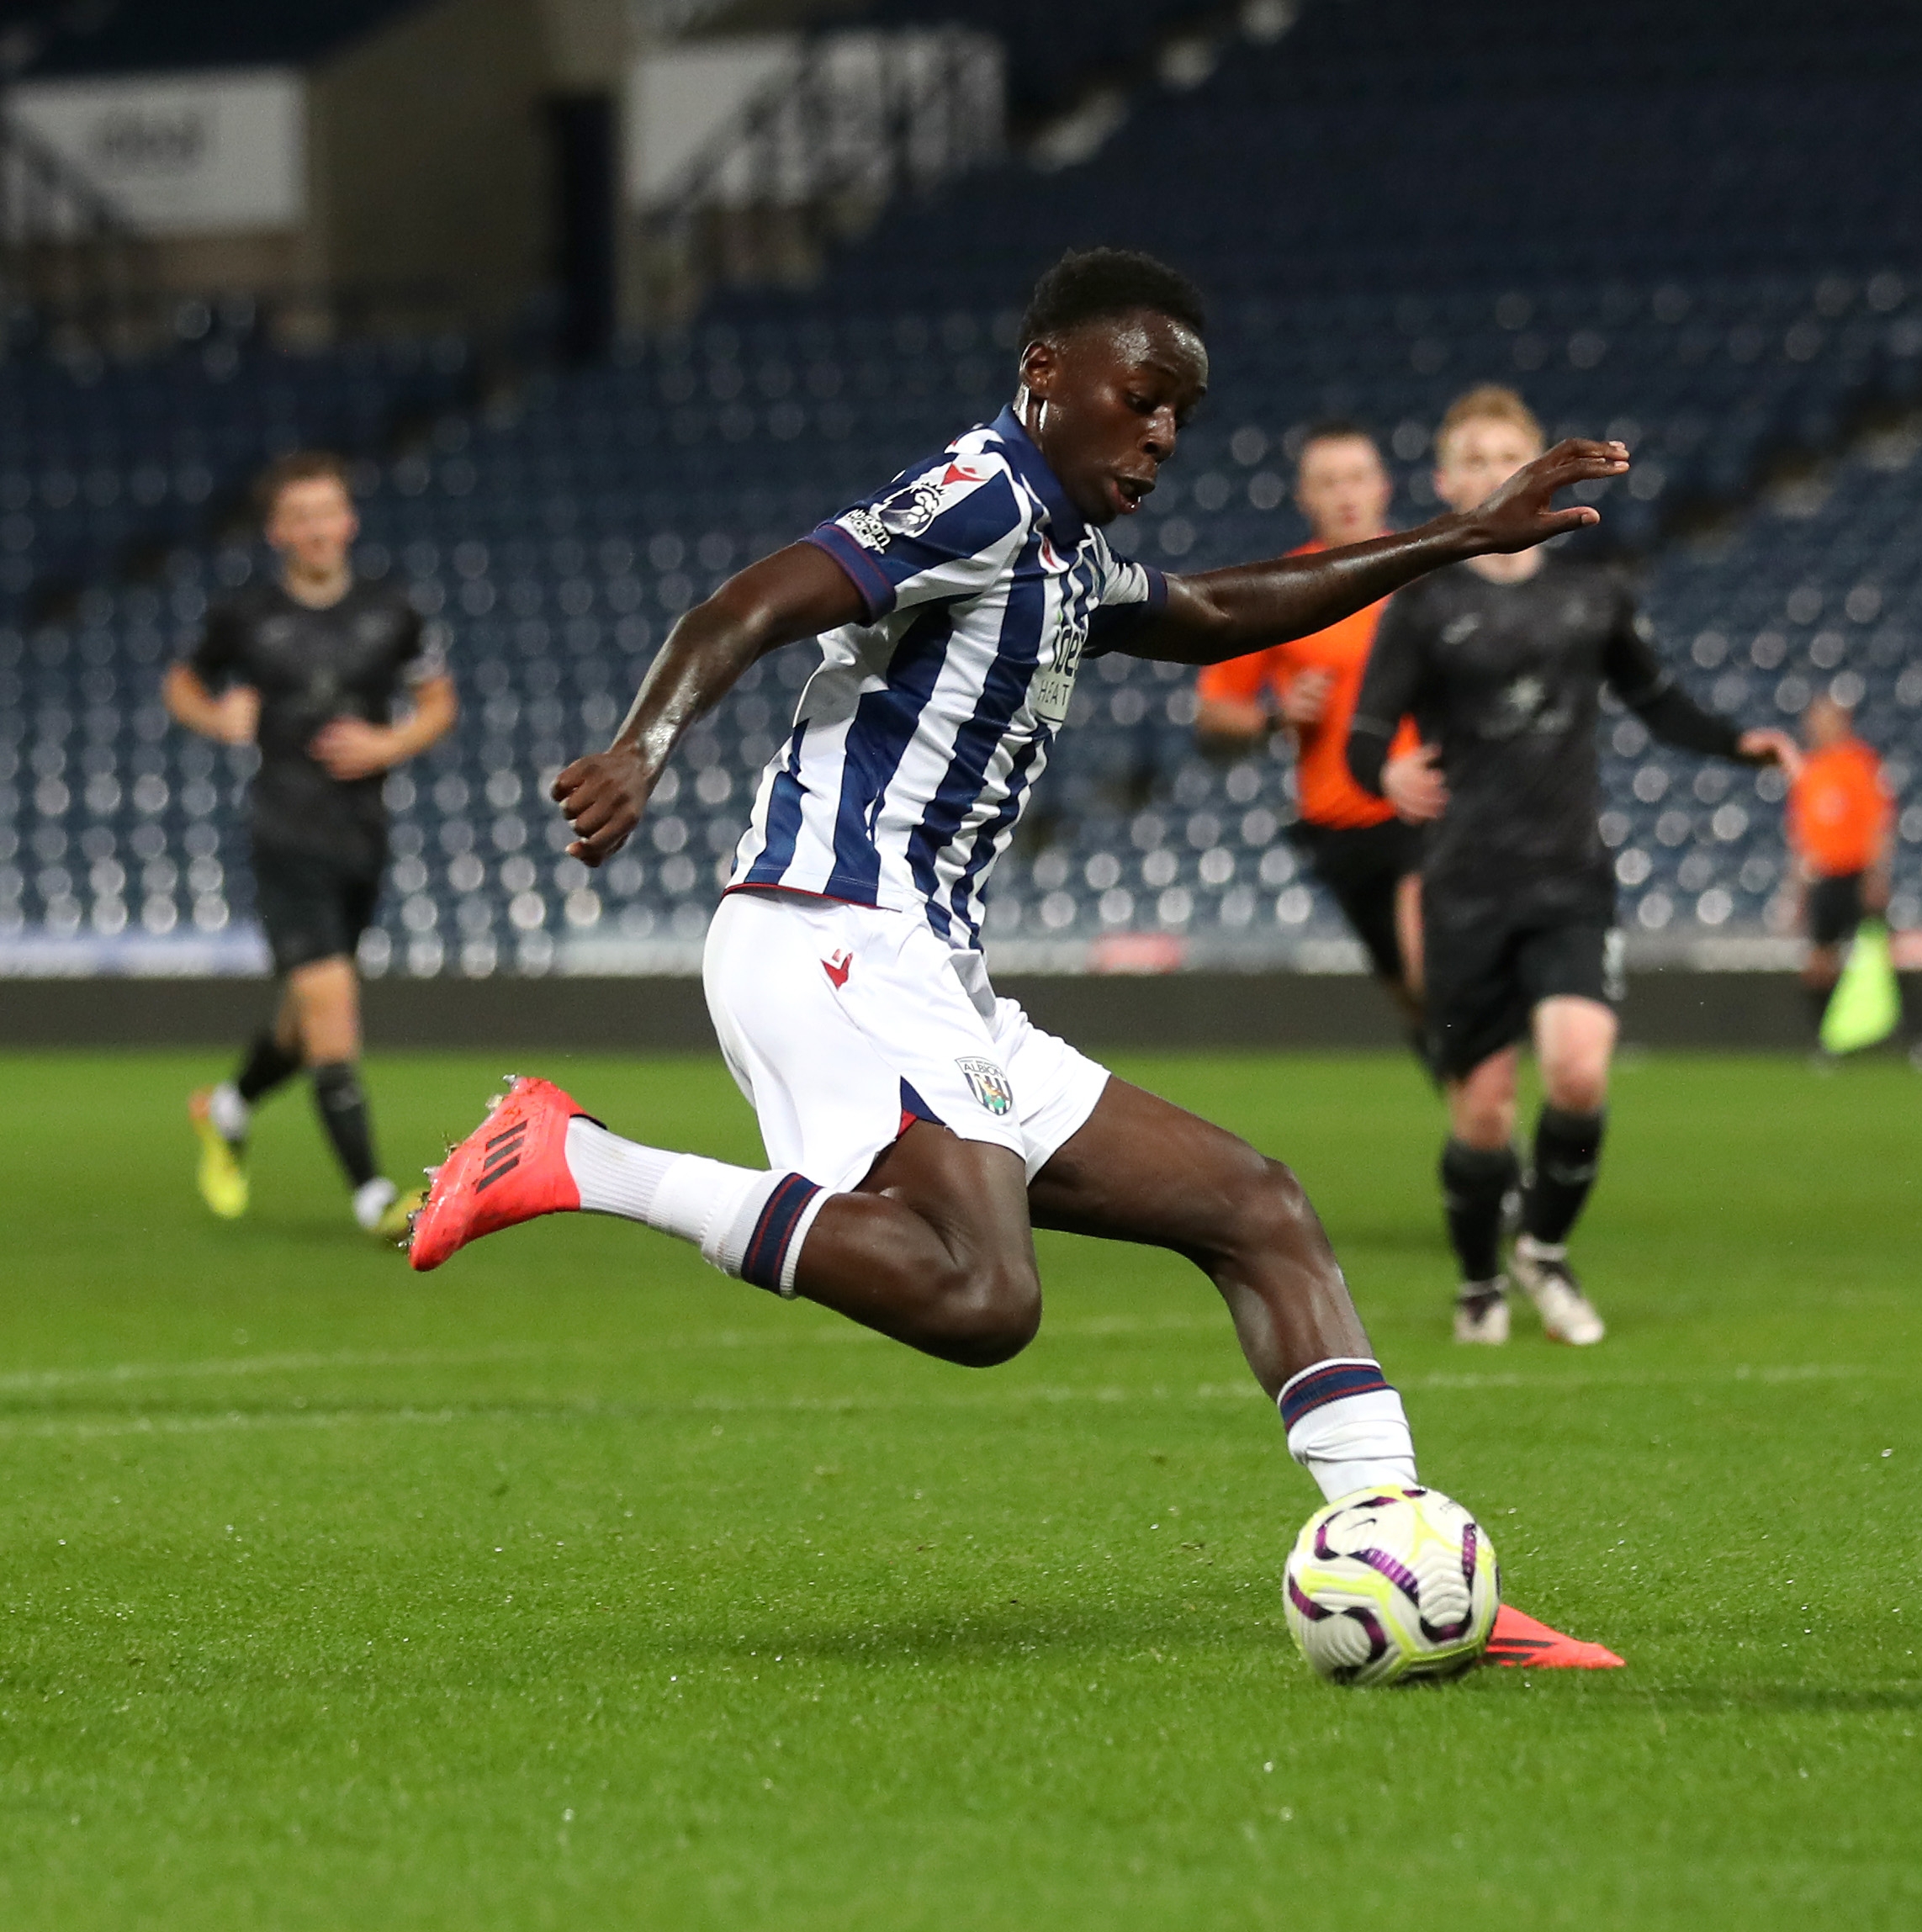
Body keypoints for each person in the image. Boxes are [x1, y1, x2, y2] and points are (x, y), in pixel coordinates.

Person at [405, 249, 1624, 1670]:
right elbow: (742, 604)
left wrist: (1453, 536)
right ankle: (577, 1159)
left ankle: (1405, 1552)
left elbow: (1219, 611)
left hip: (927, 962)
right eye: (1141, 397)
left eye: (1182, 412)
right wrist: (642, 745)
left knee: (1256, 1204)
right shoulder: (977, 497)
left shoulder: (1064, 545)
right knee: (983, 1298)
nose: (1162, 433)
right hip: (833, 933)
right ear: (1046, 373)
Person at [1348, 385, 1802, 1347]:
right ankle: (1479, 1282)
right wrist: (1382, 769)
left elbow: (1658, 700)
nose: (1485, 472)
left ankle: (1542, 1254)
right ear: (1444, 480)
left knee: (1579, 1072)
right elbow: (1364, 738)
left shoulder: (1592, 593)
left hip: (1568, 879)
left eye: (1502, 454)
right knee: (1480, 1113)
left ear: (1538, 468)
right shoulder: (1423, 603)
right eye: (1467, 458)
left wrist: (1737, 744)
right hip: (1466, 886)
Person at [165, 448, 457, 1237]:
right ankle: (373, 1196)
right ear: (277, 530)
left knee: (307, 1017)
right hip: (284, 826)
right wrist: (217, 716)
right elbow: (183, 683)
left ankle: (224, 1107)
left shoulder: (393, 610)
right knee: (333, 1005)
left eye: (328, 511)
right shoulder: (245, 615)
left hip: (362, 832)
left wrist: (385, 745)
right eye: (301, 516)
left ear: (349, 520)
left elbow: (436, 703)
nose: (317, 528)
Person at [1194, 419, 1426, 1026]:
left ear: (1384, 487)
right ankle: (1470, 1102)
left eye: (1356, 478)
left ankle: (1485, 1098)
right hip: (1339, 820)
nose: (1345, 494)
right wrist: (1277, 718)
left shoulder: (1427, 577)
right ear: (1305, 498)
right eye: (1328, 482)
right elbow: (1213, 713)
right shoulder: (1282, 590)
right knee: (1410, 990)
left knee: (1431, 963)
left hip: (1426, 805)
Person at [1785, 690, 1893, 1040]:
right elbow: (1802, 839)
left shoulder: (1860, 762)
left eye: (1823, 720)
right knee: (1819, 963)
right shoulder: (1810, 769)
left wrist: (1876, 876)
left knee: (1884, 958)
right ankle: (1824, 1038)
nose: (1815, 727)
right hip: (1824, 877)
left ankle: (1913, 1036)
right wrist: (1797, 890)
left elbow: (1879, 823)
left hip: (1856, 873)